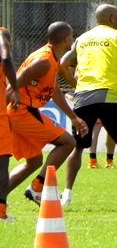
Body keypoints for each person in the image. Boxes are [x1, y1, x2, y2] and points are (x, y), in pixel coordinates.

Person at [58, 4, 117, 210]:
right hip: (110, 97)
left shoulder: (82, 38)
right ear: (111, 18)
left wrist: (76, 85)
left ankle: (67, 195)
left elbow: (63, 64)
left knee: (78, 147)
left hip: (83, 98)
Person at [7, 22, 88, 206]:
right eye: (72, 36)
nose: (73, 40)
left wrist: (73, 117)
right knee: (68, 142)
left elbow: (53, 90)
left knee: (34, 161)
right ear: (66, 39)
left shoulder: (52, 58)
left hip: (24, 111)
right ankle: (37, 188)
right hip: (22, 112)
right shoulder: (43, 60)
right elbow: (13, 85)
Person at [0, 27, 19, 221]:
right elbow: (6, 58)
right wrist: (15, 88)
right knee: (1, 164)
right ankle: (0, 212)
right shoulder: (1, 34)